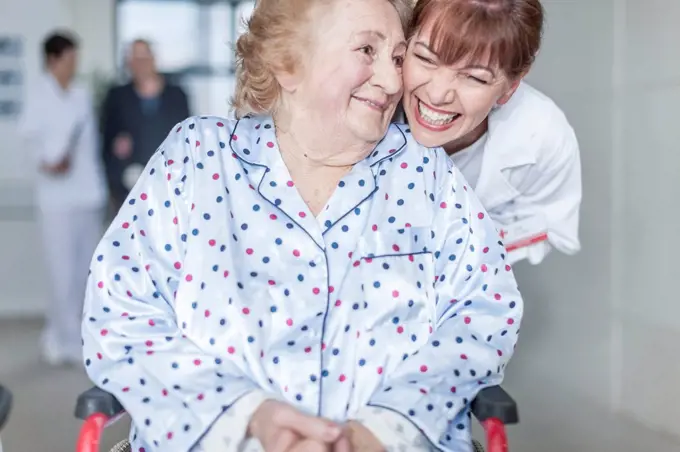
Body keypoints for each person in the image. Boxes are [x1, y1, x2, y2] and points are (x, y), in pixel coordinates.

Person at [81, 0, 523, 450]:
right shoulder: (195, 157)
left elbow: (482, 315)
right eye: (366, 50)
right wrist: (251, 417)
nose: (393, 82)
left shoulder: (426, 173)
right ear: (287, 63)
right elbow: (121, 315)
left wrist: (383, 430)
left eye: (397, 57)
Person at [402, 0, 582, 266]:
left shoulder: (543, 138)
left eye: (475, 77)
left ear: (511, 86)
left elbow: (548, 228)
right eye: (425, 58)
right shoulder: (366, 102)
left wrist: (465, 246)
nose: (437, 94)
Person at [18, 31, 107, 365]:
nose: (74, 65)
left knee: (87, 270)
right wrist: (48, 163)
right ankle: (62, 338)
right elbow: (30, 146)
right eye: (69, 59)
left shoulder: (81, 95)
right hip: (55, 199)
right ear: (53, 60)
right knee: (61, 272)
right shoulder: (38, 96)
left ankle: (79, 335)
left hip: (88, 193)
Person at [100, 39, 190, 214]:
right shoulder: (117, 96)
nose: (140, 64)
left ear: (153, 59)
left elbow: (187, 138)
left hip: (169, 184)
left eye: (144, 57)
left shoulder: (177, 95)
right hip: (130, 186)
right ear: (128, 63)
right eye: (135, 59)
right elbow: (106, 141)